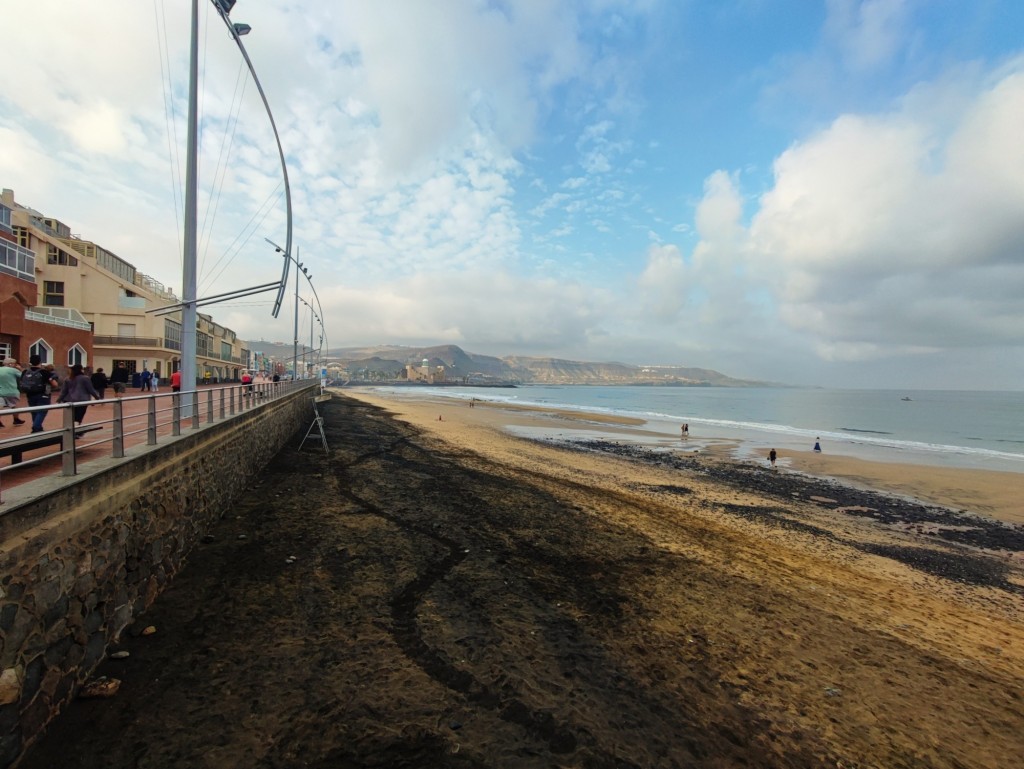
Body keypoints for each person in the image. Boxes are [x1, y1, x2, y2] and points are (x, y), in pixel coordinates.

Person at [19, 355, 60, 432]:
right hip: (43, 395)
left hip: (30, 395)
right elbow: (55, 384)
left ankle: (38, 428)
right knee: (41, 411)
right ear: (40, 362)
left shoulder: (25, 372)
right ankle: (36, 427)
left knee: (34, 412)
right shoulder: (44, 372)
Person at [0, 358, 26, 427]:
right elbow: (23, 377)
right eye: (14, 364)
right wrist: (20, 369)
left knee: (0, 406)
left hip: (0, 391)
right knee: (15, 405)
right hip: (11, 391)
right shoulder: (13, 370)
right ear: (10, 364)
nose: (15, 365)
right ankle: (16, 419)